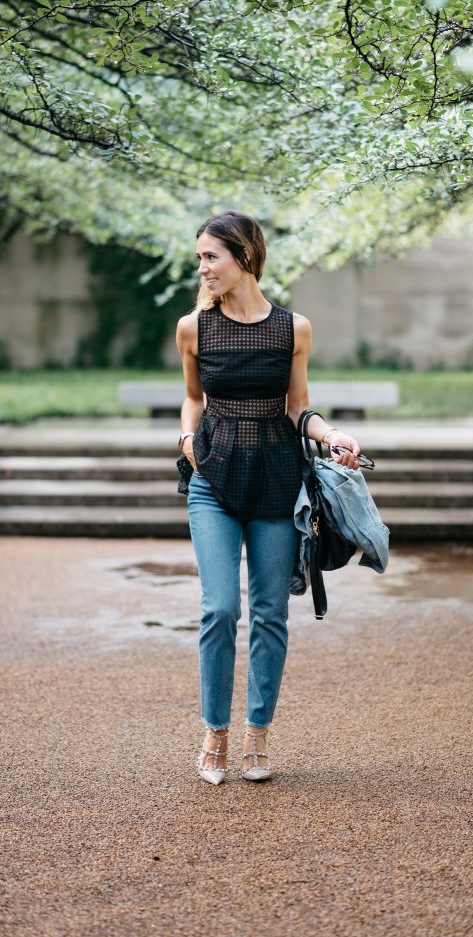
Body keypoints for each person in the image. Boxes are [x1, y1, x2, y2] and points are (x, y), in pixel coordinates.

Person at [176, 209, 362, 785]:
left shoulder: (293, 329)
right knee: (219, 609)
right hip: (213, 481)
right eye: (201, 257)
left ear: (245, 258)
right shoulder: (194, 328)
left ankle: (258, 734)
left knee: (270, 613)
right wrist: (187, 437)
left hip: (278, 483)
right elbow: (192, 399)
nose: (202, 267)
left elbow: (297, 407)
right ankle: (215, 734)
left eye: (212, 256)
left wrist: (330, 435)